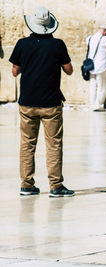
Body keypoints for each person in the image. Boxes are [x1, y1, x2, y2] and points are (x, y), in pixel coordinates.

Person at [9, 6, 75, 197]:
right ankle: (55, 186)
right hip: (51, 103)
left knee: (27, 144)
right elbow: (69, 70)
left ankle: (27, 185)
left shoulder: (22, 44)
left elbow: (14, 71)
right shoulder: (57, 45)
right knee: (54, 144)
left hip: (27, 102)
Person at [86, 25, 106, 111]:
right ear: (105, 32)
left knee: (93, 86)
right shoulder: (105, 39)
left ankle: (93, 105)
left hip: (91, 66)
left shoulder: (90, 38)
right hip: (101, 66)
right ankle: (98, 105)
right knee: (102, 87)